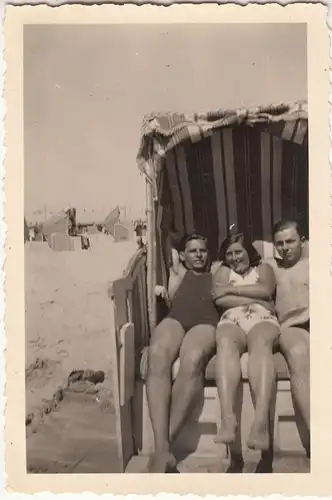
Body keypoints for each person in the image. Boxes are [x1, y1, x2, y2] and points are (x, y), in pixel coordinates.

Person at [146, 233, 219, 472]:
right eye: (192, 250)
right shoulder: (177, 272)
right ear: (183, 256)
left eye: (202, 250)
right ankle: (162, 448)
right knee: (157, 353)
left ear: (209, 254)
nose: (198, 254)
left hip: (206, 323)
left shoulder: (218, 271)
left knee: (193, 358)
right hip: (176, 319)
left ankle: (162, 450)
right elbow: (167, 238)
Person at [212, 231, 280, 451]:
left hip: (262, 318)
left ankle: (260, 425)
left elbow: (266, 289)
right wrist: (256, 297)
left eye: (238, 252)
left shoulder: (263, 269)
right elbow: (219, 298)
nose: (233, 257)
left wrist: (232, 289)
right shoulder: (222, 271)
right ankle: (227, 419)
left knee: (260, 345)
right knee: (224, 342)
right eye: (229, 253)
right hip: (232, 317)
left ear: (249, 252)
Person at [268, 220, 310, 434]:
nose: (285, 248)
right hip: (293, 327)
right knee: (299, 352)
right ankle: (318, 433)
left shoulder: (314, 263)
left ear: (303, 241)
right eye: (279, 243)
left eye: (290, 241)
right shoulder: (272, 268)